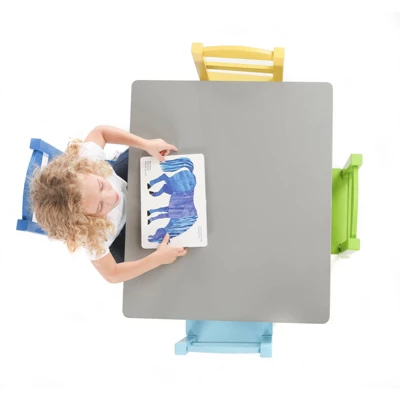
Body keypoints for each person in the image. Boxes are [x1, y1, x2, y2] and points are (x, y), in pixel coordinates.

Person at [29, 125, 187, 283]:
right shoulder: (92, 236)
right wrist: (156, 259)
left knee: (144, 152)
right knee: (153, 259)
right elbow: (112, 274)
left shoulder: (86, 161)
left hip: (125, 181)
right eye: (99, 206)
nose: (112, 197)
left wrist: (145, 144)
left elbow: (101, 132)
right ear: (85, 221)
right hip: (122, 229)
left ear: (85, 170)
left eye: (101, 186)